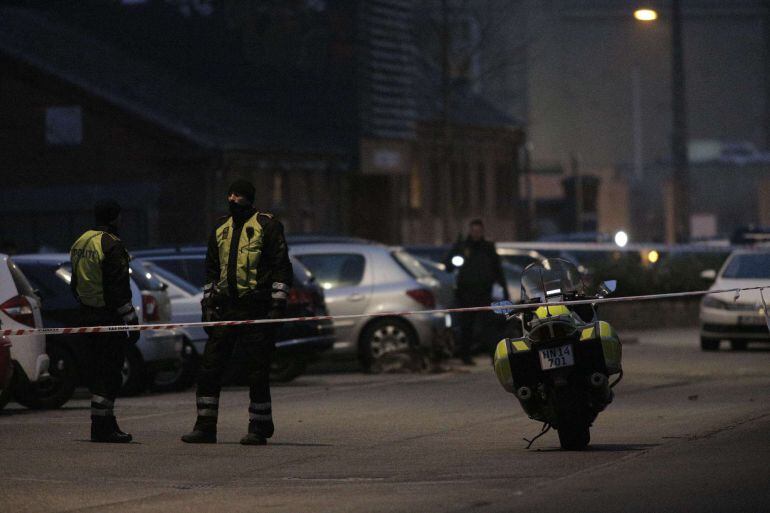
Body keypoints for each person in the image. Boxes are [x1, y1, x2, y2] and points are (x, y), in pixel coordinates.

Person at [182, 179, 293, 446]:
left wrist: (277, 306)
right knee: (209, 368)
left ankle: (260, 427)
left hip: (257, 308)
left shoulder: (267, 226)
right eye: (230, 194)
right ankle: (205, 426)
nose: (233, 199)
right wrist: (208, 306)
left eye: (239, 195)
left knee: (257, 370)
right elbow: (210, 269)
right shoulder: (221, 228)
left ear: (250, 199)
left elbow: (281, 267)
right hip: (226, 308)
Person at [70, 200, 139, 443]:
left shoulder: (80, 242)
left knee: (98, 372)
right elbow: (118, 286)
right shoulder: (112, 244)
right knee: (110, 373)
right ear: (115, 218)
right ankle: (103, 427)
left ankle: (104, 424)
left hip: (86, 315)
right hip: (108, 317)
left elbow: (74, 283)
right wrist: (130, 319)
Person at [443, 219, 508, 365]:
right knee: (467, 327)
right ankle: (465, 356)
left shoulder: (488, 248)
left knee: (489, 329)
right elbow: (448, 266)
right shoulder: (463, 247)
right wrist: (455, 250)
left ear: (482, 231)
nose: (476, 234)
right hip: (466, 294)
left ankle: (494, 356)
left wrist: (505, 291)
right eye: (474, 231)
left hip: (484, 294)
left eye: (478, 231)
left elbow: (498, 271)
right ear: (470, 231)